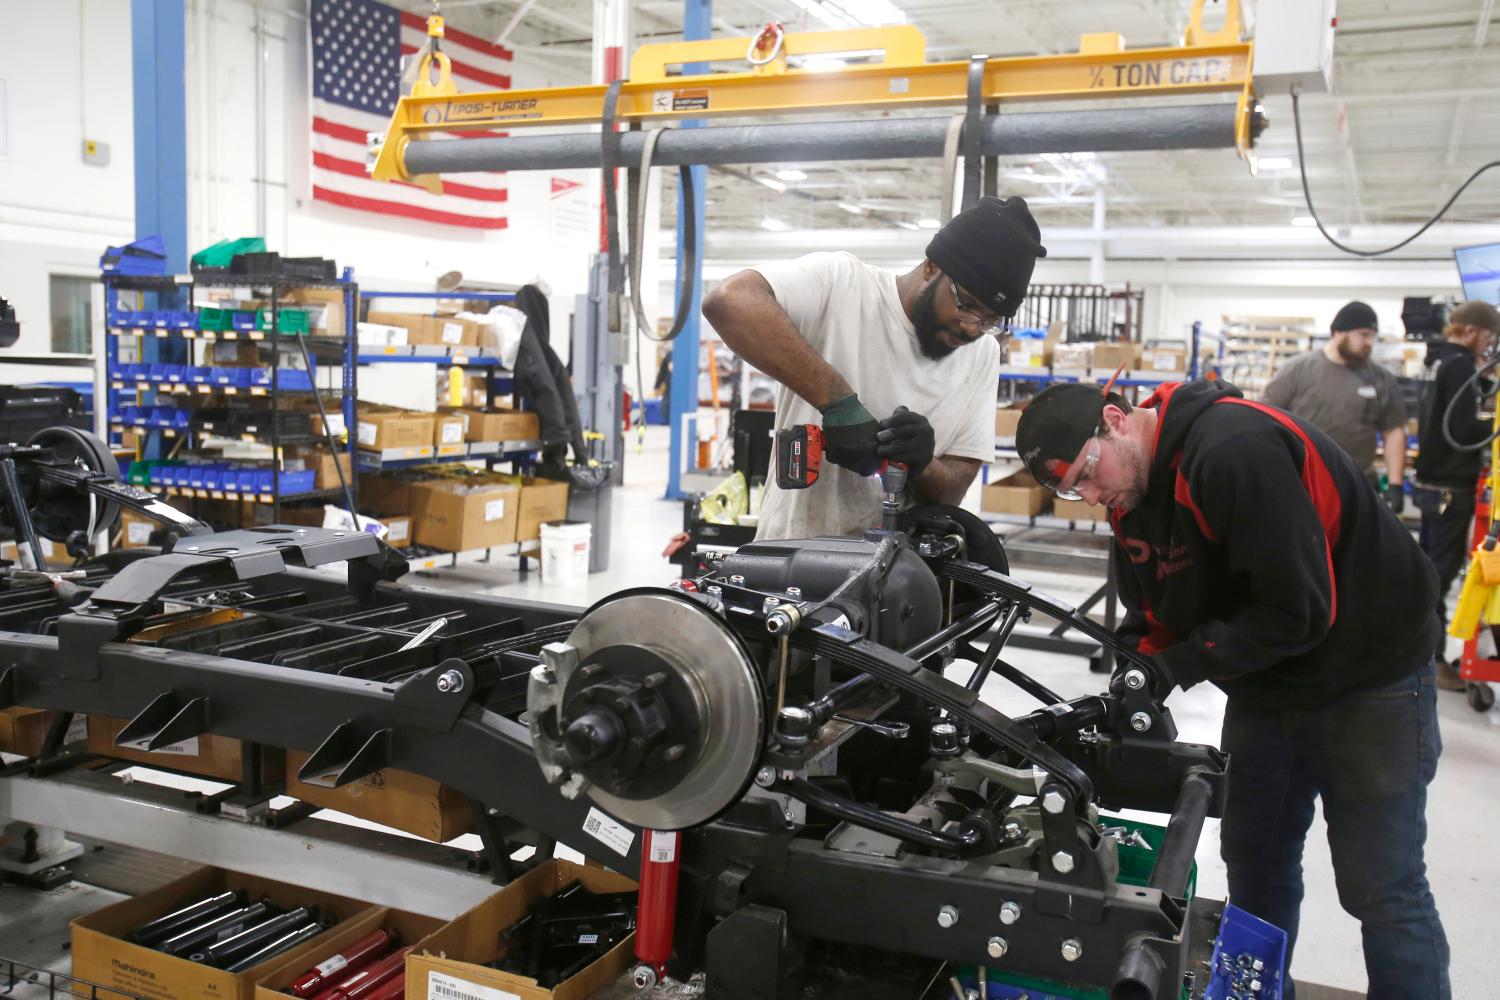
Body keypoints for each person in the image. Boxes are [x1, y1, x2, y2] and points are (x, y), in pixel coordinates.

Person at [1015, 375, 1449, 1000]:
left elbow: (1299, 610)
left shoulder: (1232, 450)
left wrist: (1180, 666)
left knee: (1383, 887)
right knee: (1255, 863)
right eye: (1069, 490)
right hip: (1268, 682)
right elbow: (1150, 614)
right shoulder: (1126, 491)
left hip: (1369, 675)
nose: (1087, 496)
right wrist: (1138, 674)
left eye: (1086, 473)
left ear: (1114, 420)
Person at [702, 197, 1047, 539]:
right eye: (966, 306)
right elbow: (729, 301)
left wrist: (922, 464)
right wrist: (838, 403)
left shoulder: (983, 354)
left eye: (989, 320)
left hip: (899, 577)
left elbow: (951, 494)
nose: (972, 328)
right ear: (931, 267)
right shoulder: (842, 285)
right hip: (792, 559)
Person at [1413, 300, 1500, 690]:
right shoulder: (1461, 363)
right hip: (1451, 486)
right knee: (1440, 577)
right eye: (1488, 337)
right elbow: (1462, 430)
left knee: (1428, 571)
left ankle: (1420, 654)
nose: (1489, 346)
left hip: (1431, 482)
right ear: (1470, 331)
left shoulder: (1434, 360)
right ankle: (1431, 661)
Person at [1262, 301, 1407, 509]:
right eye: (1364, 334)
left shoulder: (1381, 378)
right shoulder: (1298, 370)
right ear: (1339, 332)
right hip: (1303, 483)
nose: (1369, 342)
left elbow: (1393, 431)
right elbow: (1265, 419)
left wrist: (1395, 485)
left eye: (1373, 336)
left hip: (1357, 485)